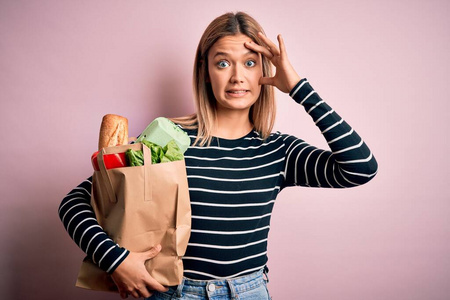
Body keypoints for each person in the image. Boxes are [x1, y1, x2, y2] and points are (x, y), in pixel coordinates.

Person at [59, 11, 378, 299]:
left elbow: (360, 167)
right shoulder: (169, 140)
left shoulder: (278, 150)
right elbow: (75, 202)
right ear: (205, 71)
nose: (238, 76)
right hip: (174, 292)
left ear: (263, 72)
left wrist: (297, 86)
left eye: (250, 63)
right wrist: (115, 260)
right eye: (223, 62)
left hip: (250, 292)